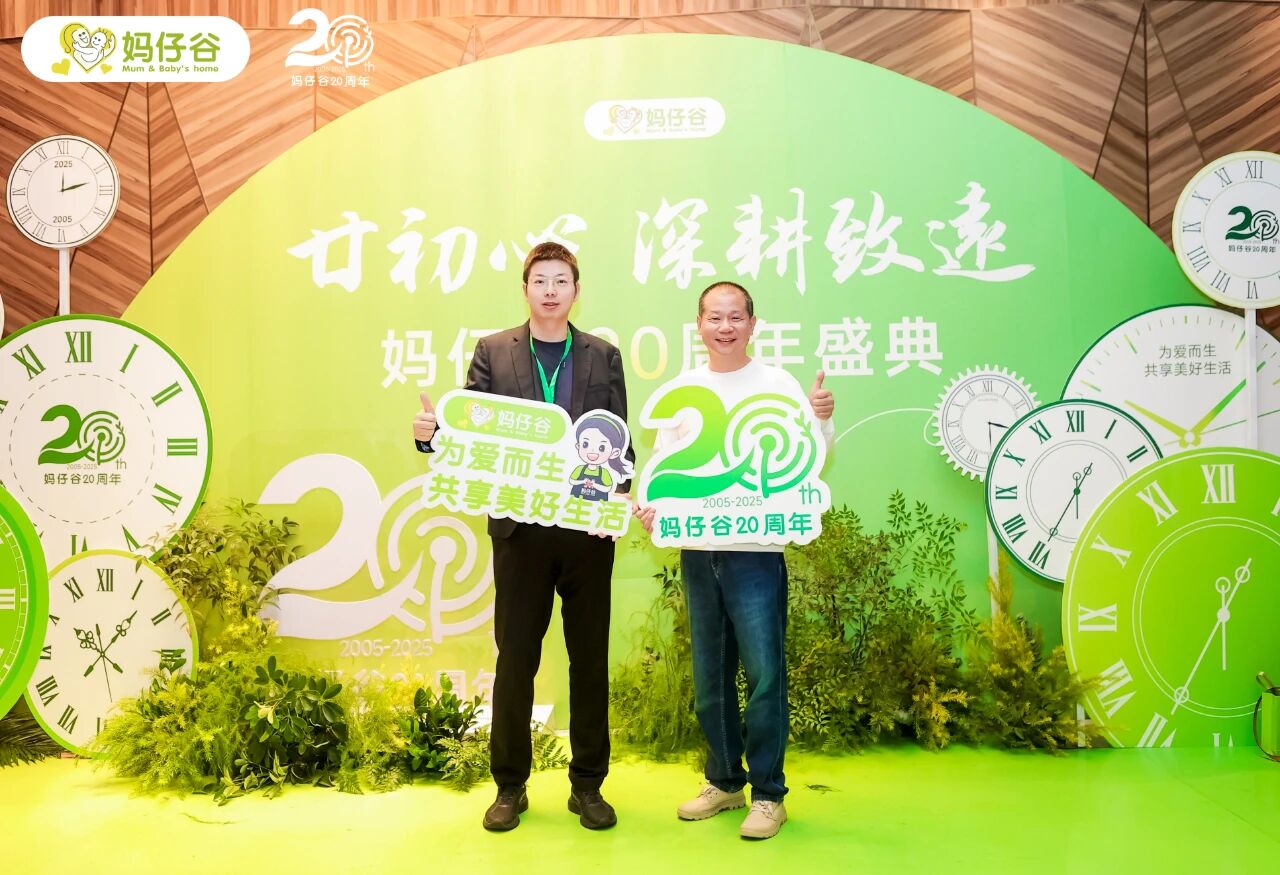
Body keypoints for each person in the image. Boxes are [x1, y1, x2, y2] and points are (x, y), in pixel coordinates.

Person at [413, 242, 632, 832]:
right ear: (526, 288)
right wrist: (432, 436)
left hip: (586, 532)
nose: (551, 290)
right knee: (515, 660)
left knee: (589, 660)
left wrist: (620, 494)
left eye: (562, 280)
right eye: (541, 280)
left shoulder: (603, 356)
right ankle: (509, 786)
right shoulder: (493, 352)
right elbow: (469, 438)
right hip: (519, 530)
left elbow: (619, 441)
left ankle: (588, 786)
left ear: (576, 290)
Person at [634, 280, 834, 841]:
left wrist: (820, 418)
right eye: (714, 317)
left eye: (735, 317)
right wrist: (652, 508)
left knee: (765, 674)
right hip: (700, 553)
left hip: (756, 555)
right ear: (699, 324)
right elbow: (664, 465)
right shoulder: (683, 391)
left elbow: (809, 458)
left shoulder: (777, 385)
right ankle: (724, 782)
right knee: (711, 677)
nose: (725, 327)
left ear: (752, 323)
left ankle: (769, 795)